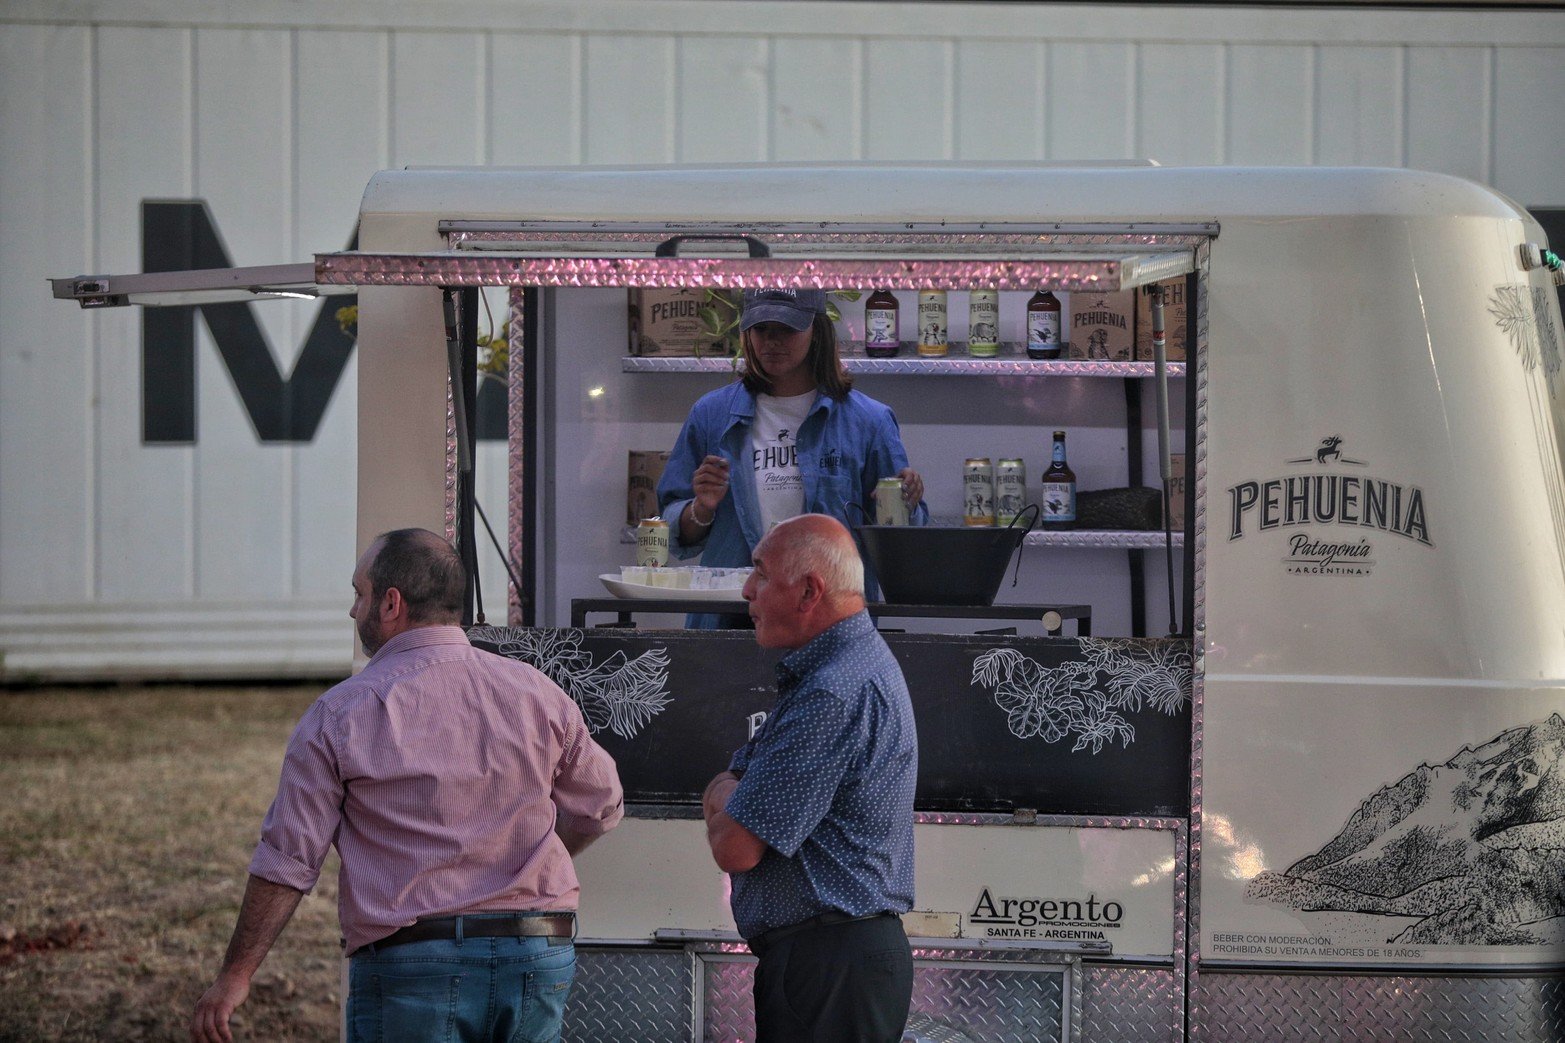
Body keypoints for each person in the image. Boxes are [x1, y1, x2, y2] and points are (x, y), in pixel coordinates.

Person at [190, 528, 623, 1043]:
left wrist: (235, 975)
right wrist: (530, 862)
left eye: (360, 594)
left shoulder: (340, 713)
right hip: (534, 953)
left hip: (413, 963)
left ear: (391, 603)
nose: (354, 611)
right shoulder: (537, 694)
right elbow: (600, 805)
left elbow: (289, 858)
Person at [702, 514, 917, 1042]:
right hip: (834, 963)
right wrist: (734, 790)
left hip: (828, 968)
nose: (747, 590)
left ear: (808, 591)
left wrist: (723, 789)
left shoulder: (831, 691)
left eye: (760, 573)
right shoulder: (846, 670)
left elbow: (735, 846)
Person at [657, 288, 928, 627]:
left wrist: (907, 503)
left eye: (787, 329)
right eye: (760, 329)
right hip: (731, 618)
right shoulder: (711, 415)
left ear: (817, 330)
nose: (771, 341)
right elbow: (669, 530)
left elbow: (901, 545)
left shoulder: (868, 421)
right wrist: (701, 509)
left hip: (831, 620)